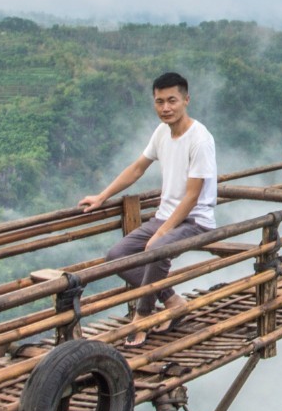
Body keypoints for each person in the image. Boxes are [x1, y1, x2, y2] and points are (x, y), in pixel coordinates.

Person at [78, 72, 218, 341]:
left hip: (195, 220)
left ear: (186, 100)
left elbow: (191, 197)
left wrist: (162, 232)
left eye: (172, 101)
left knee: (155, 250)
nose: (165, 108)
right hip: (166, 216)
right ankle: (173, 301)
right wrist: (102, 196)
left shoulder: (200, 140)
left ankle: (142, 317)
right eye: (159, 101)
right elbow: (137, 169)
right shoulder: (162, 132)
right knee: (116, 257)